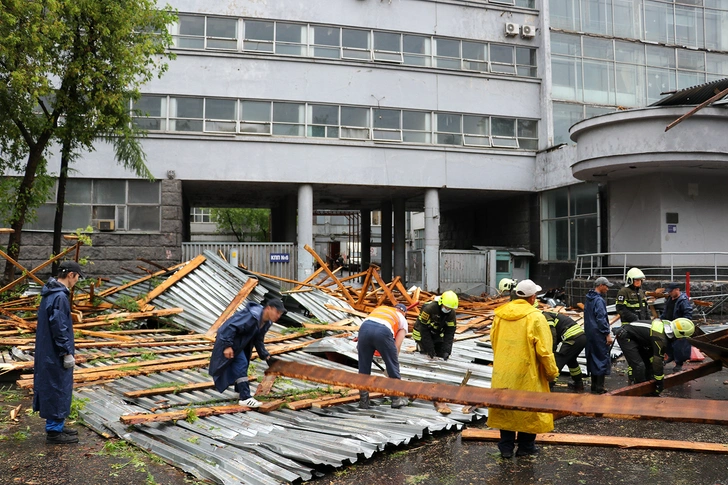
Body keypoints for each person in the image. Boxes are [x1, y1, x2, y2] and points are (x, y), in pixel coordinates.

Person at [487, 279, 559, 459]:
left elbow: (494, 341)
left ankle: (505, 448)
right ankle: (526, 446)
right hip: (528, 373)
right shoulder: (535, 317)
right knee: (529, 407)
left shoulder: (500, 315)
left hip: (504, 371)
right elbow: (544, 350)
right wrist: (551, 372)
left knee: (506, 407)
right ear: (533, 297)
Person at [34, 260, 86, 445]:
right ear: (71, 275)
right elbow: (59, 327)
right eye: (78, 277)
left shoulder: (50, 293)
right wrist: (66, 352)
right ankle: (54, 432)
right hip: (55, 353)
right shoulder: (60, 297)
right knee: (57, 388)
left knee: (56, 387)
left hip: (47, 350)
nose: (77, 281)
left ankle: (58, 426)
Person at [209, 298, 286, 408]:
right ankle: (245, 397)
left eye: (280, 314)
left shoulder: (266, 322)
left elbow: (258, 339)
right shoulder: (251, 316)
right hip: (230, 342)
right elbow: (228, 328)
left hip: (241, 345)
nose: (278, 316)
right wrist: (227, 346)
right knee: (241, 364)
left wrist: (265, 355)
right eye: (277, 312)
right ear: (268, 308)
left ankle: (239, 392)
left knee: (242, 367)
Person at [616, 318, 695, 395]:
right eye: (683, 337)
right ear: (680, 333)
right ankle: (640, 391)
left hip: (638, 338)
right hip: (626, 337)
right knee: (639, 366)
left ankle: (644, 386)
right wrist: (660, 382)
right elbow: (657, 362)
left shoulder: (665, 326)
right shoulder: (660, 338)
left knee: (648, 363)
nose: (681, 339)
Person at [357, 303, 408, 409]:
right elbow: (396, 346)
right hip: (383, 331)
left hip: (364, 328)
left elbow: (371, 328)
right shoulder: (402, 319)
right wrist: (392, 362)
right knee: (392, 366)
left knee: (363, 368)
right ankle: (396, 399)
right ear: (404, 313)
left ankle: (363, 401)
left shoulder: (381, 308)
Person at [542, 310, 586, 392]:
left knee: (557, 362)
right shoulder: (551, 314)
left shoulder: (544, 316)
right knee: (571, 361)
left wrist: (552, 349)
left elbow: (552, 334)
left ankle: (548, 388)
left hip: (571, 339)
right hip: (581, 338)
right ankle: (578, 384)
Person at [584, 277, 614, 394]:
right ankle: (600, 387)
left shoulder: (589, 299)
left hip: (590, 333)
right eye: (606, 286)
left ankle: (593, 385)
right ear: (600, 285)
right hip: (599, 334)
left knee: (592, 358)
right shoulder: (599, 301)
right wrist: (607, 334)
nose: (607, 289)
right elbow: (601, 319)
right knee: (602, 358)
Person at [412, 290, 458, 360]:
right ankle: (420, 346)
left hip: (436, 332)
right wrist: (429, 347)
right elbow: (423, 328)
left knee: (440, 352)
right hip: (422, 332)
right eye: (446, 307)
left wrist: (447, 351)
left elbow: (450, 333)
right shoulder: (429, 309)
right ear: (441, 303)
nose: (447, 309)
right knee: (426, 353)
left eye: (449, 308)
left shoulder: (451, 314)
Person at [661, 282, 693, 372]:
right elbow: (666, 311)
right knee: (666, 343)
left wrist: (682, 325)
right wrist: (660, 319)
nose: (669, 293)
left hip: (678, 326)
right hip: (668, 324)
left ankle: (679, 363)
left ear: (677, 290)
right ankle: (671, 356)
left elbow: (688, 314)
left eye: (671, 291)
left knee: (679, 346)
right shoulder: (669, 299)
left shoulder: (683, 301)